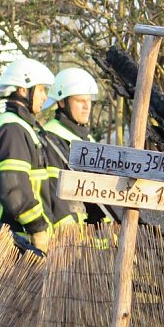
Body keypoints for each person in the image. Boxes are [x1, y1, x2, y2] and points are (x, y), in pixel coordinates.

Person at [0, 57, 56, 252]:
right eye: (40, 90)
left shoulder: (10, 125)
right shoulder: (13, 129)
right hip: (16, 238)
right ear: (24, 90)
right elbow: (12, 187)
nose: (44, 97)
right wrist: (37, 227)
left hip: (13, 237)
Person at [41, 67, 109, 225]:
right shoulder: (51, 138)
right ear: (62, 102)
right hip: (70, 237)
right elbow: (55, 196)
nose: (87, 106)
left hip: (94, 235)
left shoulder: (87, 139)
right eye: (79, 101)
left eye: (89, 100)